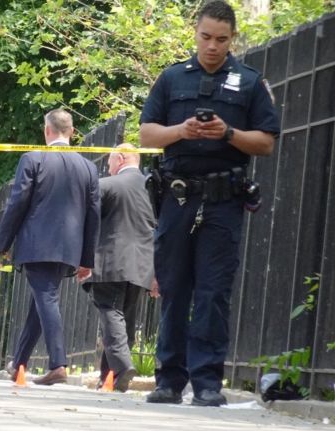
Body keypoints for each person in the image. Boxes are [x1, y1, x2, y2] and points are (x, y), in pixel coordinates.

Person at [140, 0, 280, 407]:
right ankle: (168, 380)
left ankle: (207, 382)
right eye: (205, 38)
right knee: (173, 288)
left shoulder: (250, 82)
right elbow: (147, 135)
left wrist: (228, 133)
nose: (213, 46)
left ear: (232, 38)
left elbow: (267, 142)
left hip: (223, 201)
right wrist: (181, 130)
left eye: (221, 39)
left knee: (213, 292)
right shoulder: (170, 79)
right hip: (178, 196)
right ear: (195, 34)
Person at [0, 108, 100, 386]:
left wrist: (2, 243)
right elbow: (93, 215)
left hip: (37, 244)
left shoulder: (33, 159)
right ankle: (18, 363)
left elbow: (17, 203)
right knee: (41, 302)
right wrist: (87, 258)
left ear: (47, 131)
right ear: (72, 133)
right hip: (69, 248)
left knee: (46, 299)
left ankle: (58, 363)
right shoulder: (88, 168)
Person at [83, 143, 156, 392]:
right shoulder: (151, 188)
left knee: (110, 311)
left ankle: (123, 366)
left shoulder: (106, 185)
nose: (108, 167)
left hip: (111, 261)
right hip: (142, 266)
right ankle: (109, 378)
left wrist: (82, 260)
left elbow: (87, 222)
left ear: (121, 158)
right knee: (123, 317)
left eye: (111, 161)